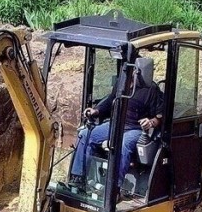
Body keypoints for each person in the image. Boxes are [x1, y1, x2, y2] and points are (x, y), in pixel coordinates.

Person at [70, 57, 164, 196]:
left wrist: (150, 122)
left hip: (134, 129)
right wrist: (96, 110)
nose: (131, 73)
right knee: (86, 134)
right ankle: (79, 178)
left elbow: (159, 117)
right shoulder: (121, 83)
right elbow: (110, 100)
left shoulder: (151, 90)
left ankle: (115, 188)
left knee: (124, 144)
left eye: (134, 71)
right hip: (115, 124)